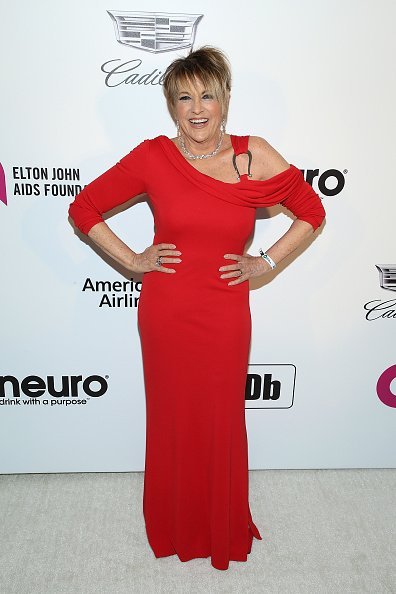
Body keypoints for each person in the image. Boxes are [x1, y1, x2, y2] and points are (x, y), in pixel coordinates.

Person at [68, 45, 326, 571]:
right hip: (166, 310)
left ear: (226, 98)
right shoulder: (153, 157)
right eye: (184, 97)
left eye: (208, 93)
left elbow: (311, 211)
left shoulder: (253, 155)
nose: (197, 107)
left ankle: (219, 523)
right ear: (171, 105)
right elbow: (83, 207)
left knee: (221, 418)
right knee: (171, 418)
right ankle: (174, 525)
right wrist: (134, 259)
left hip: (225, 311)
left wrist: (267, 261)